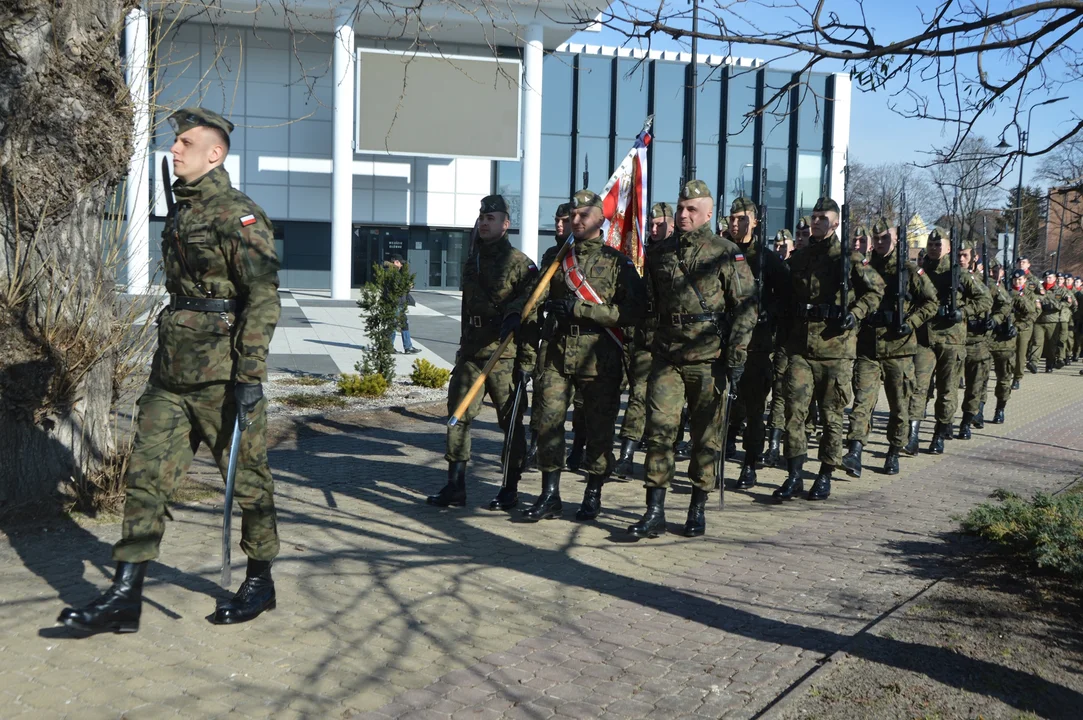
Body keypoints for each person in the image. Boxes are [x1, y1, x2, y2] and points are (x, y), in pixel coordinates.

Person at [59, 107, 283, 633]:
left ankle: (260, 580)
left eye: (185, 142)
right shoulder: (183, 211)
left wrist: (249, 375)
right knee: (145, 479)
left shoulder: (239, 215)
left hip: (223, 378)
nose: (174, 149)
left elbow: (263, 297)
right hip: (171, 374)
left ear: (215, 153)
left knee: (248, 482)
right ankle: (124, 594)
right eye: (174, 141)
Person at [629, 180, 757, 538]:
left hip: (708, 358)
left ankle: (696, 508)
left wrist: (736, 353)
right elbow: (649, 304)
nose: (683, 215)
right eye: (680, 208)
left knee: (706, 437)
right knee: (659, 432)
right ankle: (654, 510)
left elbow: (746, 307)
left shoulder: (725, 251)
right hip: (667, 356)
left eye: (691, 210)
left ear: (707, 213)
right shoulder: (659, 253)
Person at [528, 189, 646, 522]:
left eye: (583, 215)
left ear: (599, 218)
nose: (575, 220)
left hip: (599, 355)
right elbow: (534, 299)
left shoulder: (617, 262)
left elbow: (632, 312)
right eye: (571, 215)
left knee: (598, 428)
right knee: (548, 423)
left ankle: (593, 492)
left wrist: (583, 310)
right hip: (556, 352)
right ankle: (549, 493)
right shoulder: (555, 256)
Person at [427, 195, 538, 511]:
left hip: (503, 357)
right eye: (481, 217)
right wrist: (463, 348)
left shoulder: (520, 263)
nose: (484, 222)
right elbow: (466, 311)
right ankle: (455, 486)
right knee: (457, 416)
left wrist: (527, 360)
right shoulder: (471, 261)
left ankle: (509, 488)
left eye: (492, 218)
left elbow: (532, 308)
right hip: (472, 354)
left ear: (506, 224)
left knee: (511, 423)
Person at [774, 197, 885, 502]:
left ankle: (824, 474)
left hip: (835, 347)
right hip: (800, 347)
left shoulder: (848, 257)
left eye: (823, 217)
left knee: (831, 414)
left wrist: (856, 312)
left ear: (836, 222)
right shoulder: (801, 257)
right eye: (814, 217)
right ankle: (794, 474)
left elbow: (877, 289)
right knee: (794, 412)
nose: (816, 222)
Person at [841, 217, 938, 476]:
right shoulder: (864, 267)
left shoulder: (908, 271)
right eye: (878, 238)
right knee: (862, 402)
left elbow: (931, 302)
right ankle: (855, 451)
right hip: (868, 347)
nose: (881, 242)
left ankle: (894, 451)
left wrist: (912, 322)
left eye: (886, 238)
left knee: (899, 406)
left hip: (900, 348)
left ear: (895, 240)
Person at [905, 230, 991, 455]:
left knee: (947, 390)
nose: (934, 248)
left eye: (938, 244)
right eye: (931, 244)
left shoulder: (959, 274)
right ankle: (912, 434)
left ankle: (939, 433)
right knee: (917, 387)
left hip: (951, 340)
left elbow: (985, 299)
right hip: (924, 339)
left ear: (948, 247)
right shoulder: (919, 272)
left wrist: (963, 312)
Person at [726, 198, 791, 490]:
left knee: (753, 410)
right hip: (720, 342)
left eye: (742, 219)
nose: (736, 224)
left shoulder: (767, 259)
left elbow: (788, 295)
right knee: (720, 409)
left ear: (754, 221)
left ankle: (750, 464)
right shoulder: (720, 254)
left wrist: (770, 313)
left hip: (755, 346)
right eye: (732, 218)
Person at [613, 202, 673, 479]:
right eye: (652, 223)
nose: (655, 228)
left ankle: (662, 456)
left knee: (665, 404)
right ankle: (626, 455)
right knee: (638, 396)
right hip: (643, 339)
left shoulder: (677, 255)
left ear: (671, 224)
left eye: (661, 224)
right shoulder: (639, 256)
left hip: (673, 342)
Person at [525, 203, 573, 471]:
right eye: (557, 220)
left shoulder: (580, 255)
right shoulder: (551, 254)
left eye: (564, 221)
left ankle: (577, 449)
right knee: (543, 394)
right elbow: (539, 295)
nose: (559, 225)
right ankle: (536, 446)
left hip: (582, 339)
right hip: (553, 333)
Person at [957, 243, 1011, 438]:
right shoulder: (949, 277)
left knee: (976, 384)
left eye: (964, 255)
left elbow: (1005, 304)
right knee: (948, 386)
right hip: (954, 339)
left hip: (978, 339)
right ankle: (945, 422)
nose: (961, 259)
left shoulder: (984, 282)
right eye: (958, 255)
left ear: (974, 258)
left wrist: (994, 320)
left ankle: (968, 419)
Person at [990, 269, 1038, 423]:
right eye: (1015, 279)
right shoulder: (994, 289)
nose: (1017, 282)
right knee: (980, 377)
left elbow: (1033, 312)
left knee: (1017, 359)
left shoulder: (1022, 295)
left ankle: (1016, 378)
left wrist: (1017, 326)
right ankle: (978, 411)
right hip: (991, 336)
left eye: (1020, 279)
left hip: (1014, 332)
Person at [1029, 269, 1065, 373]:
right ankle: (1033, 363)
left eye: (1050, 277)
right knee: (1037, 342)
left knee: (1051, 344)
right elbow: (1032, 298)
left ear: (1054, 278)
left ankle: (1049, 364)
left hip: (1052, 320)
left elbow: (1065, 303)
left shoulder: (1059, 290)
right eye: (1046, 278)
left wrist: (1052, 305)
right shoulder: (1038, 289)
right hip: (1039, 320)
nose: (1048, 279)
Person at [386, 254, 421, 355]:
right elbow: (397, 289)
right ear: (396, 262)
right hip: (395, 303)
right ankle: (388, 346)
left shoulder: (395, 273)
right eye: (401, 263)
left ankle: (408, 347)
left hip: (399, 303)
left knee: (404, 324)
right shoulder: (392, 274)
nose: (401, 265)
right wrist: (407, 286)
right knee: (393, 324)